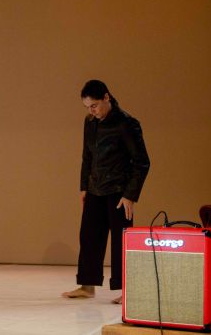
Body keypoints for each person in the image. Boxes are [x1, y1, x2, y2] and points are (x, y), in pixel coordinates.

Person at [62, 80, 150, 304]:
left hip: (119, 192)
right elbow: (87, 156)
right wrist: (84, 186)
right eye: (87, 107)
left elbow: (142, 162)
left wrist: (130, 195)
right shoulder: (90, 122)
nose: (92, 111)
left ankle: (127, 290)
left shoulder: (126, 123)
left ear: (106, 97)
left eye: (94, 105)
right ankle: (87, 286)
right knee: (89, 237)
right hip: (94, 189)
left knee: (122, 240)